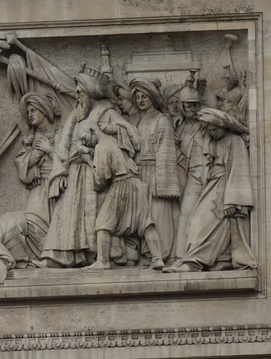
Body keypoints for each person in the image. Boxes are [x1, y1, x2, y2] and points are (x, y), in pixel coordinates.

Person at [40, 67, 138, 267]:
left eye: (80, 92)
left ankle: (98, 255)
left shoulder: (107, 113)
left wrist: (105, 131)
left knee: (96, 215)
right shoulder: (76, 116)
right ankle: (64, 255)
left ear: (91, 93)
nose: (76, 96)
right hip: (75, 171)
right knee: (68, 212)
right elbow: (63, 147)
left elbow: (130, 134)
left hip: (97, 172)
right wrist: (61, 168)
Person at [166, 108, 257, 272]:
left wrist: (232, 200)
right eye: (209, 130)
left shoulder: (235, 140)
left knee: (202, 223)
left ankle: (193, 262)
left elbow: (239, 171)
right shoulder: (213, 141)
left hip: (225, 190)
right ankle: (218, 258)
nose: (212, 132)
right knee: (197, 222)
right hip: (213, 185)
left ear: (223, 126)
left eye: (214, 129)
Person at [83, 121, 165, 270]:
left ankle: (103, 261)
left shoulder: (101, 146)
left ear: (92, 131)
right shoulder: (115, 140)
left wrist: (89, 162)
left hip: (121, 184)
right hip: (136, 183)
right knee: (145, 223)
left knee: (103, 223)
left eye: (84, 138)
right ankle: (157, 258)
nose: (86, 143)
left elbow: (102, 179)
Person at [130, 78, 181, 262]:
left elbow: (165, 152)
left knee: (159, 216)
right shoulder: (136, 121)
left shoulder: (162, 120)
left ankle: (164, 254)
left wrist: (162, 182)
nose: (141, 100)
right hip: (139, 174)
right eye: (138, 97)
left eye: (144, 96)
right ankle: (148, 255)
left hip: (156, 174)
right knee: (143, 217)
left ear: (152, 97)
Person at [173, 77, 210, 256]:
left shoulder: (205, 124)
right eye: (189, 105)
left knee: (203, 215)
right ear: (182, 106)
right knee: (186, 214)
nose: (193, 109)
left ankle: (194, 254)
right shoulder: (177, 127)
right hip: (187, 175)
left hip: (205, 172)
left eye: (196, 105)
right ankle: (182, 255)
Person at [15, 92, 64, 225]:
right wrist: (37, 152)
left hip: (59, 184)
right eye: (28, 111)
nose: (30, 114)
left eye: (33, 110)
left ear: (44, 111)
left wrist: (49, 149)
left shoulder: (60, 132)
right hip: (38, 186)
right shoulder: (30, 139)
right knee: (34, 222)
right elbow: (22, 162)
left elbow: (66, 159)